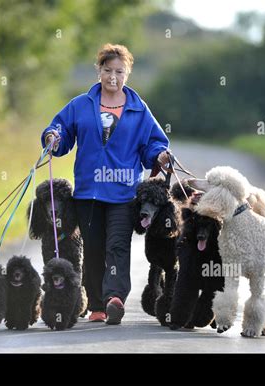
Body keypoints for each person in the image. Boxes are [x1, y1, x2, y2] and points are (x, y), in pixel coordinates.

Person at [42, 43, 170, 325]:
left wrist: (159, 155)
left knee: (117, 247)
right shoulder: (80, 105)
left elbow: (154, 144)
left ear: (128, 74)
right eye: (108, 70)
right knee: (94, 247)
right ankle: (97, 305)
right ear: (98, 70)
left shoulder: (139, 109)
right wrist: (53, 137)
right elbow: (60, 130)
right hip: (88, 192)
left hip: (123, 192)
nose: (113, 77)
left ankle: (115, 298)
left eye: (120, 72)